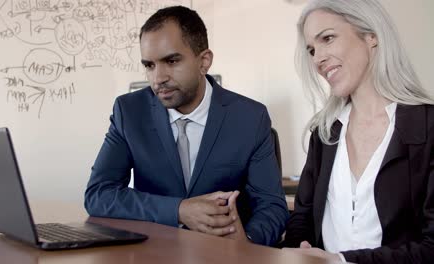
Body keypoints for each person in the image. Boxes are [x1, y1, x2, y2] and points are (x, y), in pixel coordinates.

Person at [84, 6, 289, 246]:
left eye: (171, 61)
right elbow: (99, 194)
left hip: (224, 254)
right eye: (149, 65)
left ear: (204, 61)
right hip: (155, 253)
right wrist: (179, 210)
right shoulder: (129, 112)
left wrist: (247, 243)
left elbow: (272, 206)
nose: (158, 78)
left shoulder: (250, 117)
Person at [281, 0, 434, 263]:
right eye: (311, 49)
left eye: (327, 38)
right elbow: (302, 218)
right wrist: (298, 248)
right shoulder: (324, 133)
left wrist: (340, 260)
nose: (318, 58)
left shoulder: (428, 126)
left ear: (371, 36)